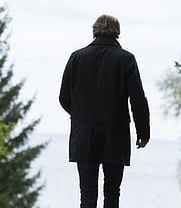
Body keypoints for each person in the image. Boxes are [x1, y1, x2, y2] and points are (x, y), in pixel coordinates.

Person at [59, 14, 150, 208]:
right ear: (117, 32)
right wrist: (143, 133)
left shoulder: (76, 57)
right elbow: (138, 99)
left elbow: (64, 97)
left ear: (94, 31)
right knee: (112, 193)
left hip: (84, 135)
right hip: (115, 134)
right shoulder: (126, 59)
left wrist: (81, 116)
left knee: (87, 195)